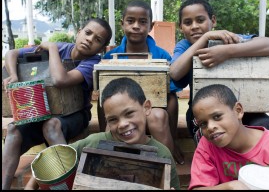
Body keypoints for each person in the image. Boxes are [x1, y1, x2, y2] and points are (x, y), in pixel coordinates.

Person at [2, 17, 112, 190]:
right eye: (88, 33)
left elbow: (60, 80)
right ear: (79, 32)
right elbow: (11, 53)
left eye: (97, 39)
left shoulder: (92, 63)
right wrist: (14, 75)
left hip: (75, 115)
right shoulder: (64, 47)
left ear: (102, 48)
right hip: (43, 112)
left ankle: (68, 184)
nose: (90, 39)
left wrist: (52, 48)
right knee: (13, 129)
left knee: (51, 125)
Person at [25, 77, 181, 190]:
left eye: (129, 113)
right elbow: (53, 158)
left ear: (146, 107)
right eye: (113, 119)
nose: (123, 124)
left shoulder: (162, 153)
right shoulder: (92, 143)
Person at [169, 0, 269, 144]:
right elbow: (175, 72)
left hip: (243, 110)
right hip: (204, 115)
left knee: (264, 124)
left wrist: (227, 51)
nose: (194, 26)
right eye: (187, 22)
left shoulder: (228, 39)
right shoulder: (184, 46)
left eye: (200, 20)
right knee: (208, 133)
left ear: (213, 20)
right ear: (181, 27)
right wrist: (204, 38)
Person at [98, 0, 184, 164]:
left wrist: (174, 141)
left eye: (142, 22)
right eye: (130, 21)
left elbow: (171, 96)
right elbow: (103, 96)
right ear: (122, 23)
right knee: (111, 124)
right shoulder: (110, 57)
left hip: (152, 115)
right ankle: (114, 160)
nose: (136, 26)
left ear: (150, 26)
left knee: (157, 115)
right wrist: (104, 132)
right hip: (122, 115)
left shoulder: (162, 56)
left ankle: (166, 162)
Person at [189, 84, 269, 190]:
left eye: (217, 117)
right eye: (203, 124)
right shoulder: (207, 146)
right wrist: (229, 187)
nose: (210, 127)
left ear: (238, 110)